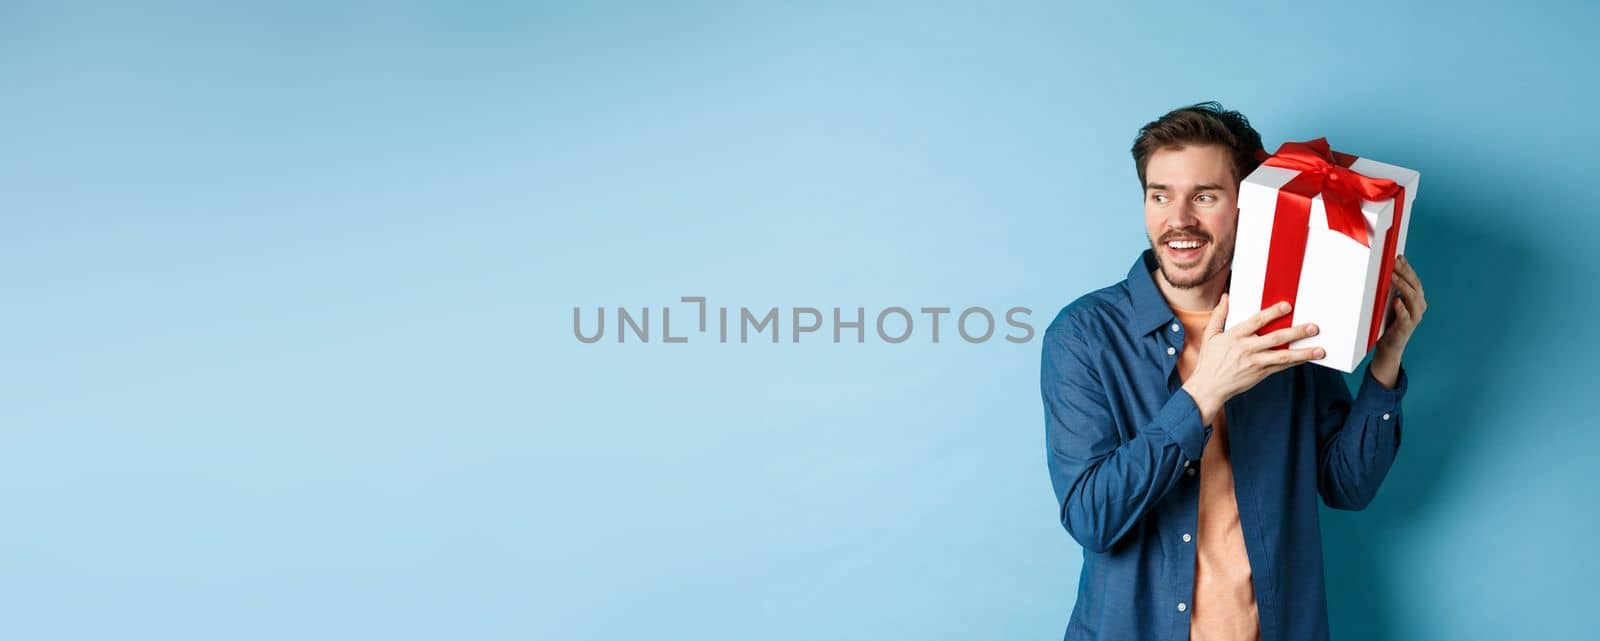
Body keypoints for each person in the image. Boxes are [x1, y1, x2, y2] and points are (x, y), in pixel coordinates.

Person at [1039, 102, 1428, 641]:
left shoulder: (1290, 322)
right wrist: (1203, 394)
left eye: (1204, 196)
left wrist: (1386, 361)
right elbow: (1091, 519)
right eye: (1160, 195)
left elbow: (1346, 486)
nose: (1179, 220)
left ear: (1248, 205)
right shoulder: (1083, 336)